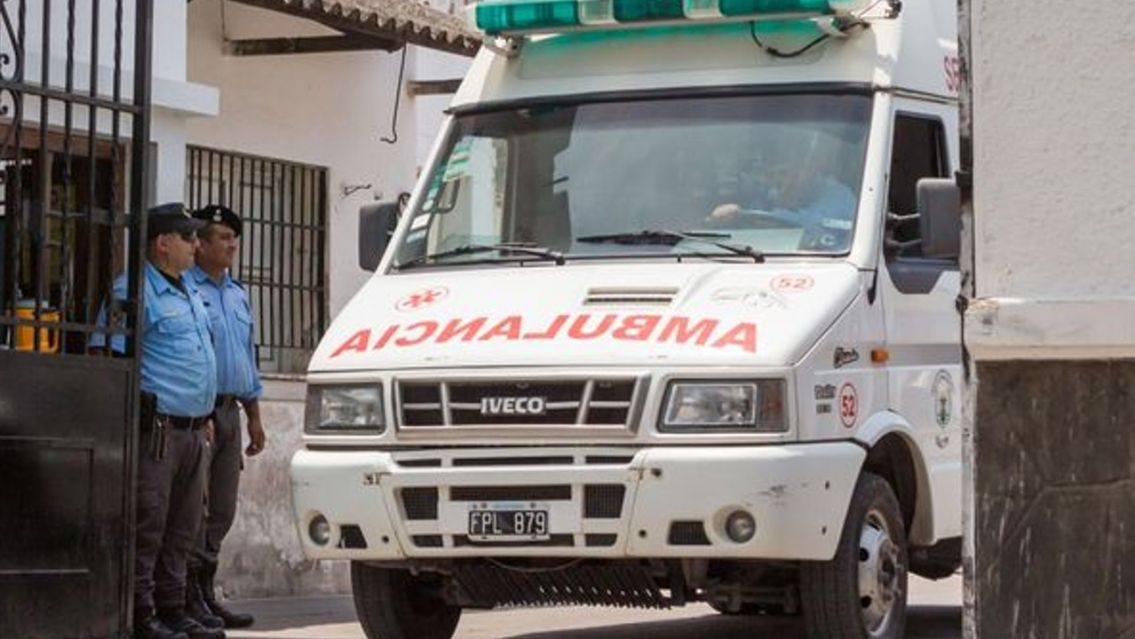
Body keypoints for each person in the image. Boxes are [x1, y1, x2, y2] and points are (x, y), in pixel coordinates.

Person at [90, 203, 225, 639]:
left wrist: (205, 413)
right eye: (188, 238)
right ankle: (141, 612)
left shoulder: (188, 290)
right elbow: (105, 355)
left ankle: (173, 607)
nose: (195, 245)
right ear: (163, 243)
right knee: (150, 524)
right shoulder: (133, 291)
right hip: (158, 431)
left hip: (193, 428)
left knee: (183, 529)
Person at [183, 205, 263, 630]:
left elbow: (246, 356)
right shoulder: (187, 289)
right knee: (195, 508)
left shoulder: (237, 293)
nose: (231, 245)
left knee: (223, 510)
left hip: (232, 410)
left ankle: (207, 592)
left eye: (234, 237)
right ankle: (189, 596)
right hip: (202, 412)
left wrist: (254, 415)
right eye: (222, 237)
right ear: (199, 244)